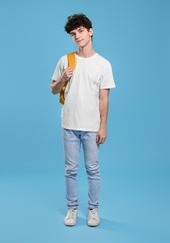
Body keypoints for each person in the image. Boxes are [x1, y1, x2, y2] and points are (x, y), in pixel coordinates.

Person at [50, 13, 115, 227]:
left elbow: (104, 99)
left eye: (80, 31)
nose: (77, 36)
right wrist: (63, 78)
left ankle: (93, 210)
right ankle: (72, 209)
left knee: (93, 169)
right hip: (68, 124)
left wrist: (103, 126)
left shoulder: (103, 64)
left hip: (91, 127)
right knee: (70, 169)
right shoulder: (65, 60)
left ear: (90, 31)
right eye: (73, 33)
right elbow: (53, 89)